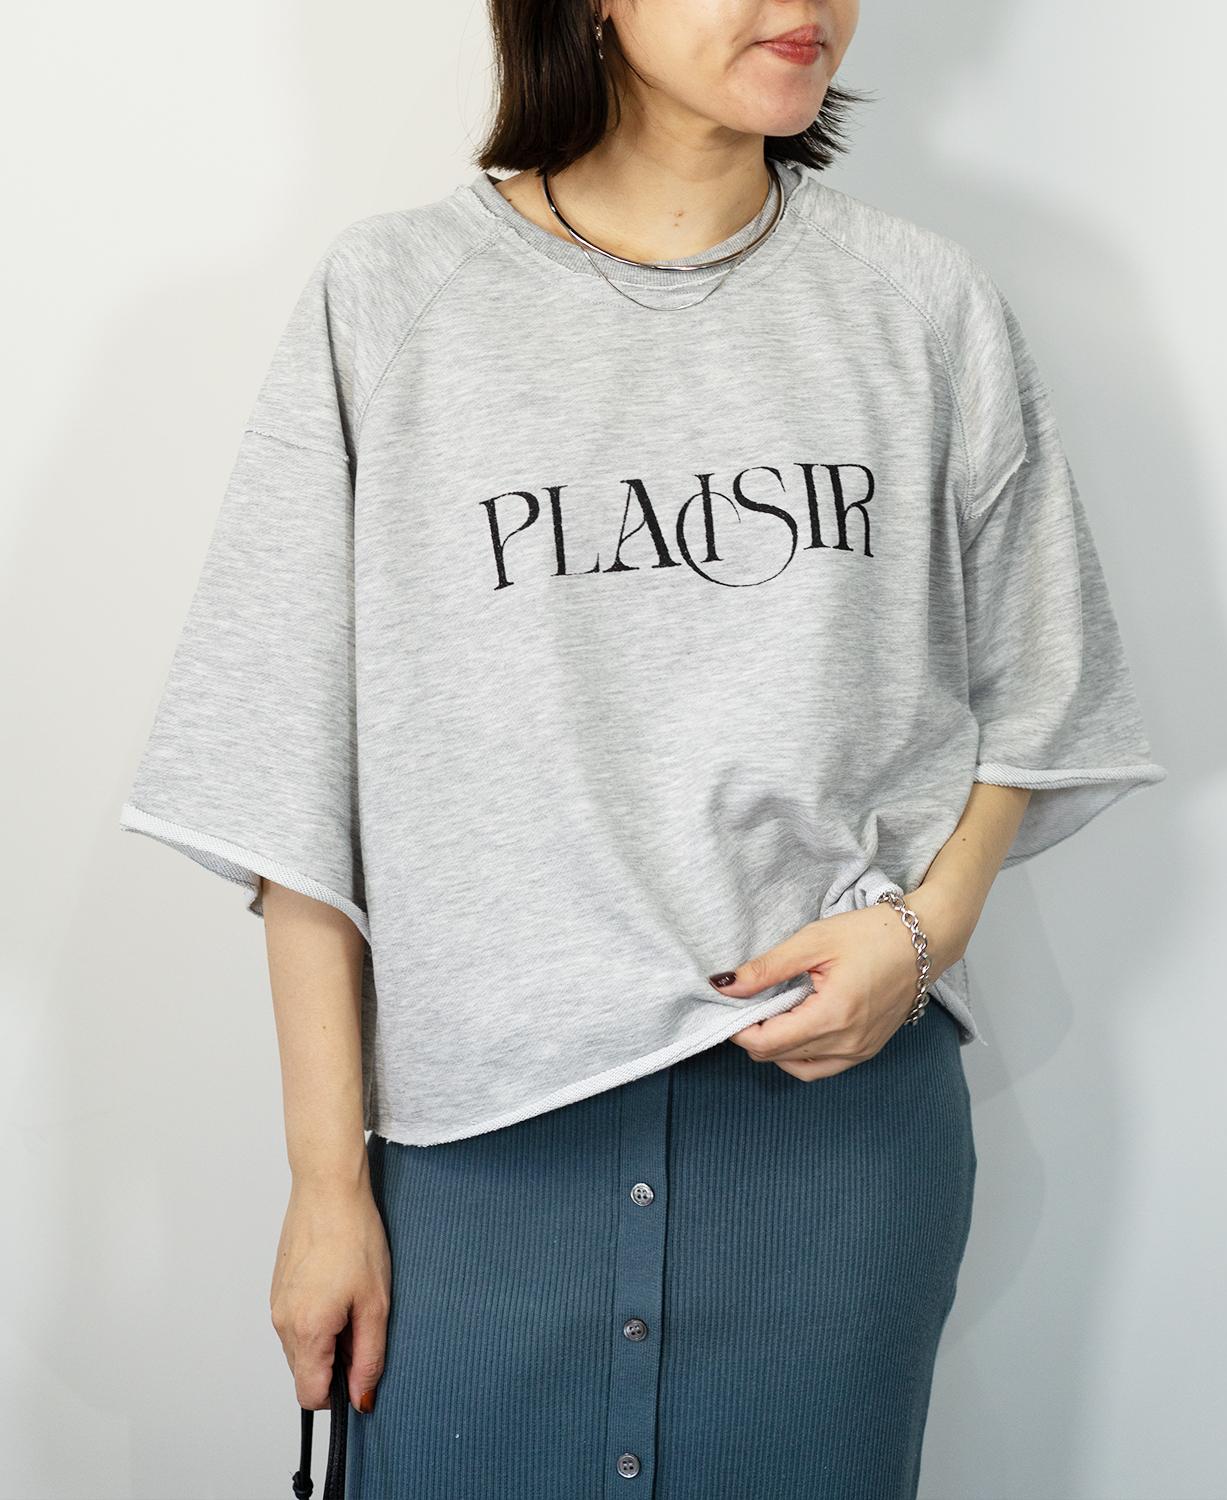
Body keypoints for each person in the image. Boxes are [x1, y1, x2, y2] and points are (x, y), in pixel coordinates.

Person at [118, 2, 1168, 1495]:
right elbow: (288, 776)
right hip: (479, 1156)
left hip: (831, 1138)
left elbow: (1047, 688)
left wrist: (924, 933)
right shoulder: (394, 299)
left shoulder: (922, 304)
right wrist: (322, 1185)